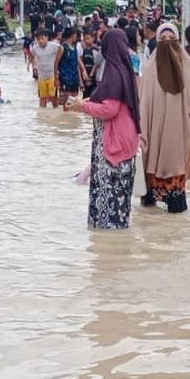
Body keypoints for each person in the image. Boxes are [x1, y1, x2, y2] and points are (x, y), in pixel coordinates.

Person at [65, 28, 140, 230]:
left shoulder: (113, 72)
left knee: (109, 199)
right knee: (119, 199)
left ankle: (107, 244)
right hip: (125, 140)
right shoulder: (124, 69)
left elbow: (109, 108)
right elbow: (106, 98)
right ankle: (113, 245)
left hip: (114, 143)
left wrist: (82, 106)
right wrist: (85, 102)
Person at [138, 22, 190, 214]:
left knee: (176, 208)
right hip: (153, 134)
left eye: (171, 39)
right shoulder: (150, 70)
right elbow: (142, 104)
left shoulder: (187, 70)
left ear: (178, 41)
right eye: (162, 40)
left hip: (178, 133)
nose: (167, 43)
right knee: (148, 211)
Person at [30, 29, 61, 108]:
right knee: (42, 97)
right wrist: (34, 68)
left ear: (47, 38)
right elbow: (33, 57)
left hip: (52, 75)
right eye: (38, 39)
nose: (40, 41)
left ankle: (55, 112)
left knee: (53, 96)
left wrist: (58, 61)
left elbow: (62, 49)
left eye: (42, 38)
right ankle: (42, 115)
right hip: (41, 76)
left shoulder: (54, 46)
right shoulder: (35, 48)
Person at [57, 27, 82, 105]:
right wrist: (56, 78)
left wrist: (80, 79)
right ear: (72, 35)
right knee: (66, 102)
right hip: (65, 78)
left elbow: (76, 64)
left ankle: (72, 117)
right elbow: (56, 63)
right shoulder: (62, 47)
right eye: (75, 35)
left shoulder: (75, 48)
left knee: (74, 102)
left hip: (74, 78)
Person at [78, 29, 102, 98]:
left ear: (93, 38)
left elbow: (96, 65)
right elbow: (79, 65)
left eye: (88, 38)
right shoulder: (82, 50)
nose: (86, 41)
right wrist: (81, 81)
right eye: (85, 39)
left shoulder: (96, 49)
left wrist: (90, 77)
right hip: (85, 77)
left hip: (94, 79)